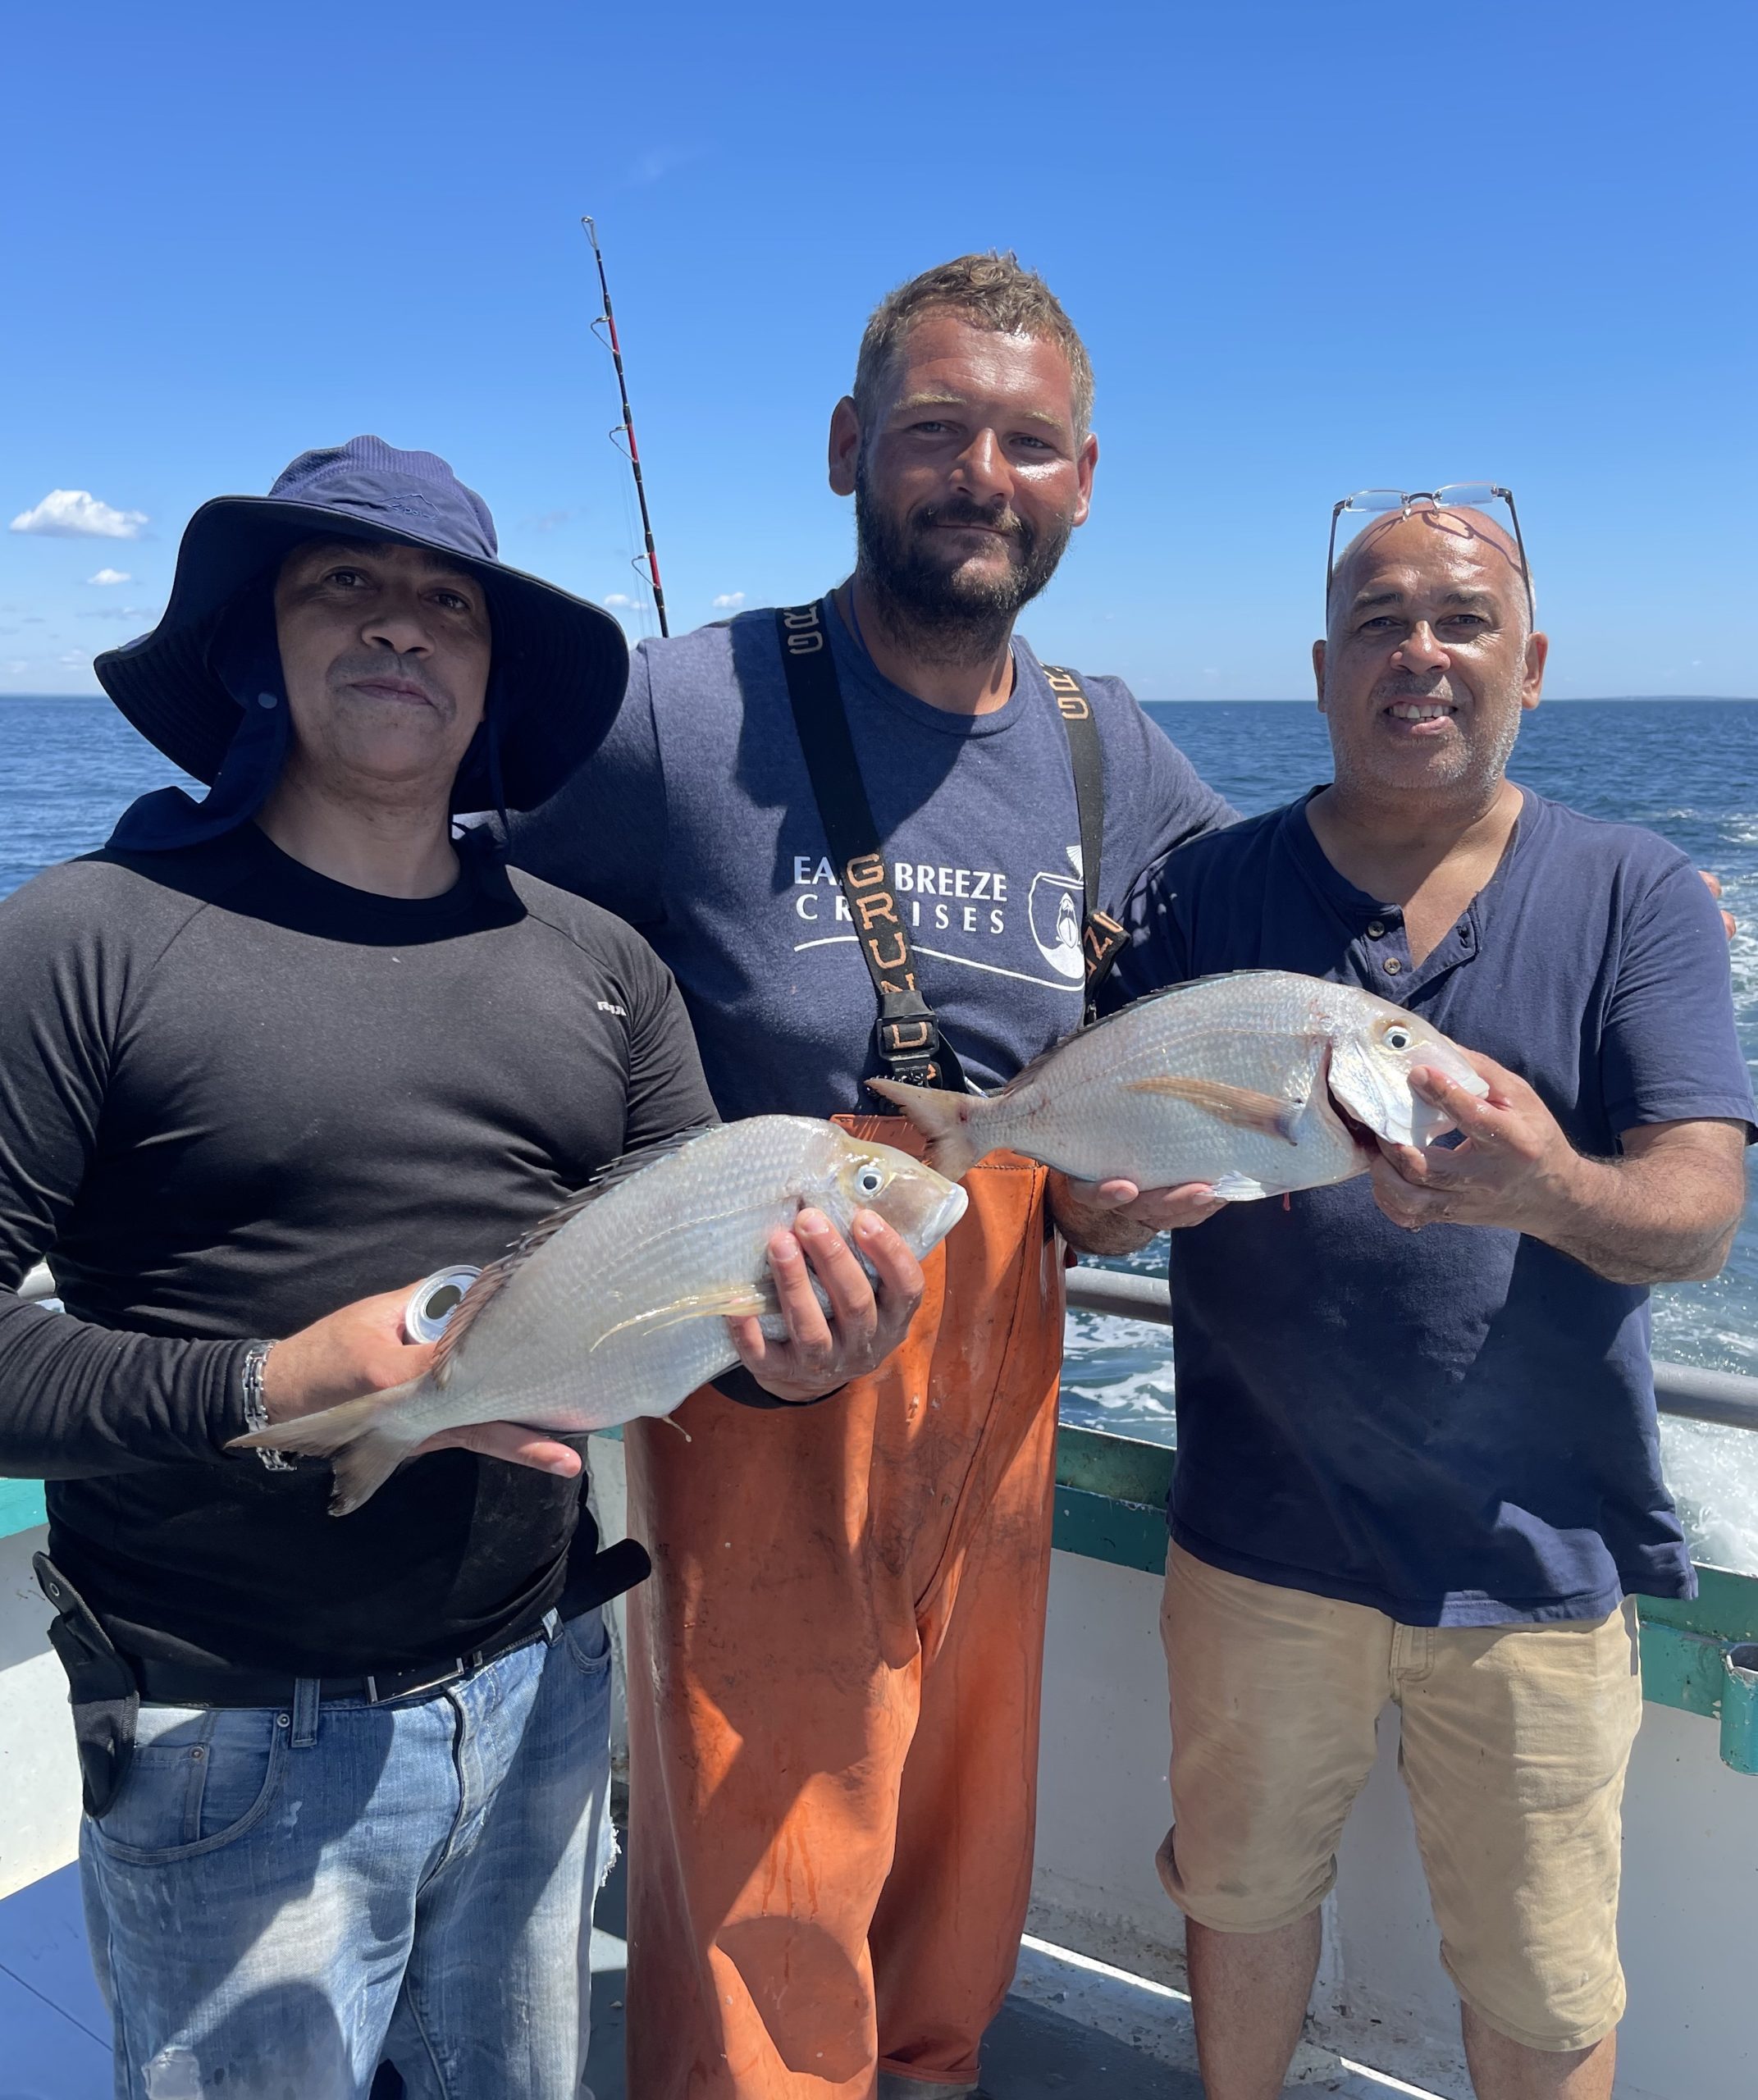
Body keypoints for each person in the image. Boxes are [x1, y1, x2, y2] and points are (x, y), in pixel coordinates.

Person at [0, 437, 920, 2100]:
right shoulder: (89, 935)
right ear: (251, 643)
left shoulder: (603, 963)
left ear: (492, 678)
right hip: (225, 1722)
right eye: (341, 585)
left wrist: (811, 1349)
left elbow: (719, 1290)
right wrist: (277, 1384)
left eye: (448, 603)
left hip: (541, 1688)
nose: (400, 626)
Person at [508, 253, 1235, 2098]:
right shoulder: (678, 711)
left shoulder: (1106, 742)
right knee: (767, 1867)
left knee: (961, 1835)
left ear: (1083, 479)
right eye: (934, 430)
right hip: (758, 1359)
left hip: (1007, 1358)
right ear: (850, 447)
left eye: (1027, 440)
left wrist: (1487, 880)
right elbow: (489, 960)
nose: (979, 472)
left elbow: (1252, 955)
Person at [1067, 495, 1754, 2100]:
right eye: (1379, 619)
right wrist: (1096, 1200)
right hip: (1253, 1540)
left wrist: (1542, 1188)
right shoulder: (1203, 893)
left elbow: (1699, 1213)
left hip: (1537, 1552)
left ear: (1531, 657)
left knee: (1537, 1968)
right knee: (1234, 1902)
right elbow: (1088, 1170)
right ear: (1322, 665)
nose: (1420, 653)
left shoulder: (1635, 891)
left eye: (1459, 617)